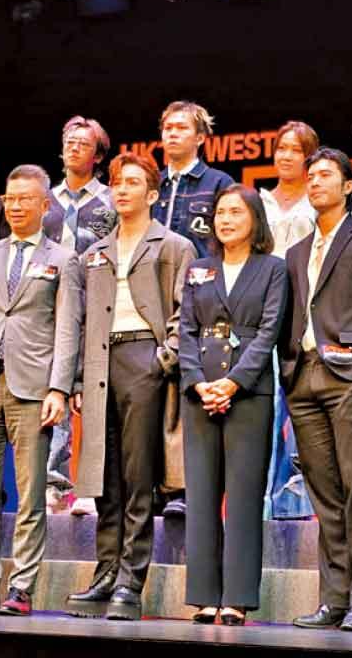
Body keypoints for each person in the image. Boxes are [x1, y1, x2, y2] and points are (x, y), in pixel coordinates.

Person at [65, 153, 195, 621]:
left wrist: (165, 357)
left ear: (153, 194)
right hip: (102, 361)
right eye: (117, 182)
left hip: (144, 356)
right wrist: (79, 377)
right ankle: (105, 571)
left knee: (138, 477)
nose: (121, 190)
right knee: (103, 475)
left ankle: (130, 580)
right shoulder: (96, 252)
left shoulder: (174, 245)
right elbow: (81, 320)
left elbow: (185, 309)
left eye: (133, 183)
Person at [0, 164, 81, 618]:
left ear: (45, 205)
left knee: (30, 495)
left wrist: (59, 388)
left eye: (26, 199)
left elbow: (67, 328)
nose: (16, 206)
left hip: (33, 386)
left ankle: (21, 587)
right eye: (10, 198)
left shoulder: (63, 259)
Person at [280, 147, 352, 633]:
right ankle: (333, 599)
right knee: (324, 495)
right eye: (311, 176)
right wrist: (288, 372)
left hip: (349, 377)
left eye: (326, 175)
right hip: (303, 377)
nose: (315, 182)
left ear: (348, 186)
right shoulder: (296, 251)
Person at [179, 184, 287, 626]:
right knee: (201, 495)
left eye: (235, 213)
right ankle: (204, 595)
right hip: (200, 393)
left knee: (243, 497)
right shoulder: (199, 269)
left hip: (248, 392)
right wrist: (199, 383)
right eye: (220, 212)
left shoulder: (273, 269)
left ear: (255, 220)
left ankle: (237, 598)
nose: (225, 220)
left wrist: (233, 382)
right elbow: (185, 331)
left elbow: (269, 332)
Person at [151, 100, 234, 517]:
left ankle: (184, 487)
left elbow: (226, 241)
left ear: (201, 137)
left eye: (181, 127)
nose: (172, 134)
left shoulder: (218, 182)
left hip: (199, 297)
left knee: (188, 386)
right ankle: (149, 484)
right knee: (149, 385)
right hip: (150, 296)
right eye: (167, 127)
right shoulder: (151, 182)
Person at [41, 115, 118, 516]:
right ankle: (53, 483)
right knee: (52, 386)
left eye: (83, 144)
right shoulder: (45, 200)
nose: (73, 148)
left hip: (94, 302)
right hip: (46, 302)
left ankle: (90, 483)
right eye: (69, 142)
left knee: (90, 391)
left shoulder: (111, 200)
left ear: (98, 155)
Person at [260, 121, 317, 520]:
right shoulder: (259, 202)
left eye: (296, 150)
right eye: (281, 148)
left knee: (299, 405)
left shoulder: (317, 203)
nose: (286, 156)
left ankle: (295, 498)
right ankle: (260, 498)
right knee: (265, 406)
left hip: (304, 313)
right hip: (262, 312)